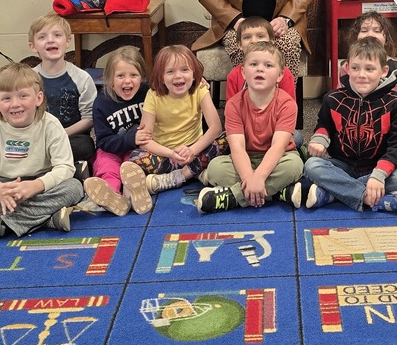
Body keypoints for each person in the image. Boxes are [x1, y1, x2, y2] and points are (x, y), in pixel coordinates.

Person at [0, 62, 82, 245]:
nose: (15, 104)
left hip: (40, 184)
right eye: (7, 98)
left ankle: (1, 226)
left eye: (23, 96)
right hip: (2, 187)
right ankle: (46, 220)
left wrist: (36, 185)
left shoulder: (51, 125)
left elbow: (64, 167)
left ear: (38, 98)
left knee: (75, 188)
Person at [303, 37, 397, 214]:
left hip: (378, 167)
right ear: (347, 68)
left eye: (370, 69)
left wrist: (379, 174)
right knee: (311, 165)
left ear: (384, 71)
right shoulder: (333, 98)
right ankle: (375, 198)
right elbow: (324, 124)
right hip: (342, 166)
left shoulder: (396, 102)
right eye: (355, 68)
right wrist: (320, 138)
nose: (361, 74)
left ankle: (334, 194)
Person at [196, 41, 304, 213]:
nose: (260, 69)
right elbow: (237, 147)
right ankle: (277, 192)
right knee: (216, 167)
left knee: (294, 165)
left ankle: (233, 197)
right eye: (253, 64)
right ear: (244, 73)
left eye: (268, 65)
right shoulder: (233, 104)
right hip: (245, 159)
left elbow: (278, 146)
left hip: (279, 159)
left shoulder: (287, 104)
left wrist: (259, 177)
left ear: (280, 76)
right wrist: (249, 177)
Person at [120, 44, 226, 194]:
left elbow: (216, 128)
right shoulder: (153, 95)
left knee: (227, 138)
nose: (178, 76)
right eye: (170, 71)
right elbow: (144, 140)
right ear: (161, 77)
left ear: (194, 74)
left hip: (196, 150)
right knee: (135, 158)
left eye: (184, 70)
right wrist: (170, 153)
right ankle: (197, 172)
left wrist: (192, 150)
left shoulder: (199, 89)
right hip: (166, 155)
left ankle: (178, 177)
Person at [84, 46, 151, 216]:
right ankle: (112, 195)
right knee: (106, 166)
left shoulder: (149, 93)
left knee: (133, 167)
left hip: (138, 149)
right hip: (110, 148)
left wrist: (197, 81)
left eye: (133, 75)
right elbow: (103, 141)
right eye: (120, 76)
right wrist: (129, 139)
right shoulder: (102, 102)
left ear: (142, 77)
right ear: (109, 79)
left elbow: (169, 85)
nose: (127, 81)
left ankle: (133, 195)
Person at [28, 12, 97, 168]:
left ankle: (45, 165)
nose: (50, 40)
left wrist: (61, 134)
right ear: (33, 46)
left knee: (85, 146)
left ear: (67, 41)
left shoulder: (82, 78)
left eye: (57, 35)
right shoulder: (28, 78)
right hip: (36, 136)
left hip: (70, 136)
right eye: (42, 37)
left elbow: (89, 118)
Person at [225, 16, 298, 102]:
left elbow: (289, 106)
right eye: (247, 37)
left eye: (260, 36)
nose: (254, 41)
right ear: (239, 44)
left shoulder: (284, 74)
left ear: (271, 41)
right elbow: (231, 108)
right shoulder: (234, 76)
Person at [338, 12, 397, 93]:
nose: (370, 34)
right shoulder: (346, 67)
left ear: (387, 39)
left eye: (377, 31)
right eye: (364, 30)